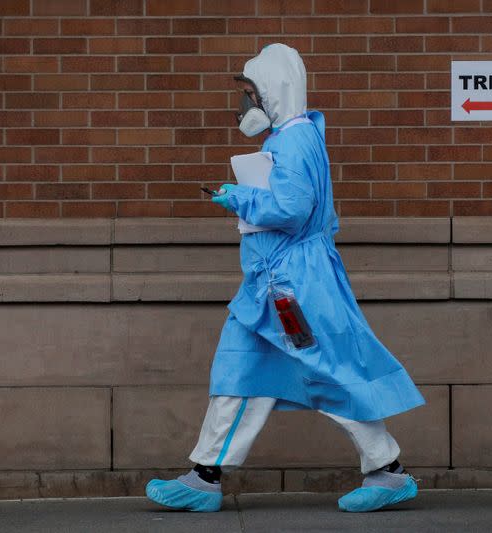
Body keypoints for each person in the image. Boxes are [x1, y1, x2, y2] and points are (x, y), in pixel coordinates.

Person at [145, 44, 425, 514]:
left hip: (287, 287)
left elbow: (292, 210)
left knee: (320, 370)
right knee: (249, 368)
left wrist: (239, 199)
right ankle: (205, 475)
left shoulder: (292, 141)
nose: (245, 105)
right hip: (279, 284)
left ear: (273, 92)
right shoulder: (297, 136)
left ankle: (387, 470)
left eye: (251, 93)